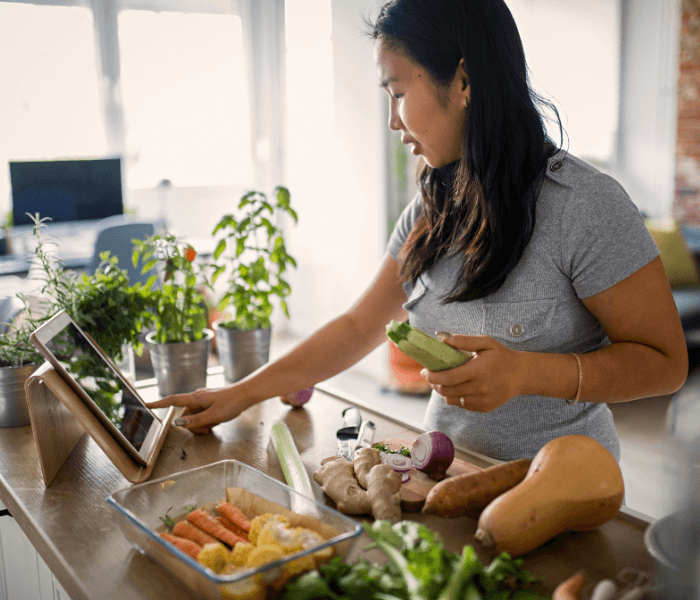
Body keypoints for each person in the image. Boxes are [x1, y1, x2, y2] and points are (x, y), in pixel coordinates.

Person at [148, 0, 688, 462]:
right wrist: (237, 394)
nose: (392, 120)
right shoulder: (434, 205)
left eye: (398, 92)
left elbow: (665, 364)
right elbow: (361, 325)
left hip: (562, 496)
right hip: (445, 476)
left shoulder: (586, 207)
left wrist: (527, 374)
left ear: (464, 81)